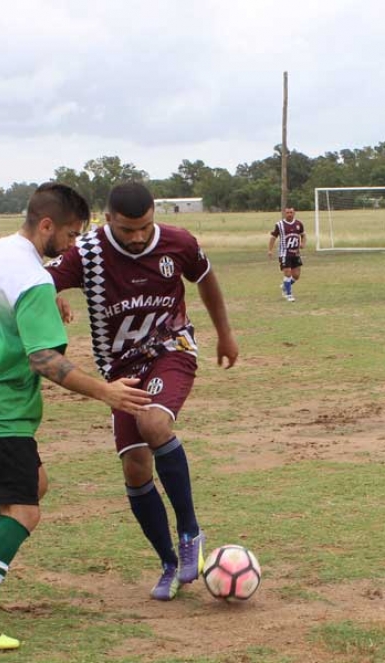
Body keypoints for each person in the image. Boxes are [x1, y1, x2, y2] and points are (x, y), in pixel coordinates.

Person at [0, 183, 151, 650]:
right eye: (71, 235)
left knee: (34, 484)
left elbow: (6, 297)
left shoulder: (0, 250)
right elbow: (46, 362)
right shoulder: (33, 279)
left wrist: (49, 295)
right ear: (47, 225)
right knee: (26, 511)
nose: (73, 245)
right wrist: (106, 392)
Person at [46, 181, 239, 602]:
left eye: (144, 227)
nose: (137, 238)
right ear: (108, 218)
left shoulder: (179, 242)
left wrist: (225, 334)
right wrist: (54, 293)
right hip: (119, 370)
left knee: (153, 421)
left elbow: (206, 280)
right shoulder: (89, 253)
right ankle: (169, 562)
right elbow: (39, 280)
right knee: (135, 467)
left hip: (172, 348)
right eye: (128, 229)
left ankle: (190, 530)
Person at [267, 207, 306, 302]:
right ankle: (289, 295)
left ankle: (285, 286)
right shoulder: (279, 225)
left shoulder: (299, 224)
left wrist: (303, 243)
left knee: (296, 275)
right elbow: (273, 238)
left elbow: (303, 235)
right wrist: (270, 250)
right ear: (284, 213)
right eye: (287, 212)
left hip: (295, 253)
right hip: (284, 253)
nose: (289, 214)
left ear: (294, 213)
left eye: (291, 212)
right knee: (288, 273)